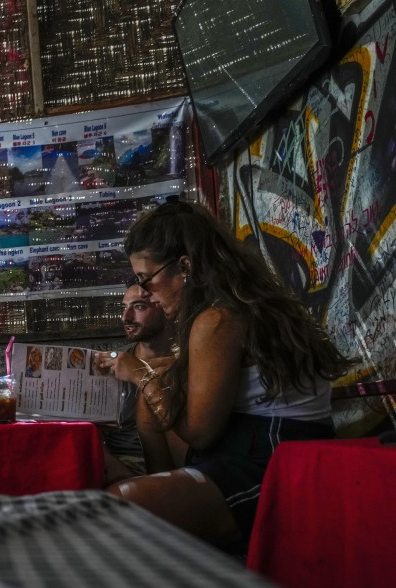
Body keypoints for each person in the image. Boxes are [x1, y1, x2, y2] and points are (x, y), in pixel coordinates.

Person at [96, 200, 347, 551]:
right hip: (259, 440)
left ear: (184, 267)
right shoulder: (235, 303)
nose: (147, 294)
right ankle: (168, 497)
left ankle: (169, 515)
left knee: (119, 505)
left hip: (282, 458)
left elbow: (200, 433)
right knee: (147, 411)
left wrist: (142, 374)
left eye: (146, 281)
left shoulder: (218, 318)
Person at [95, 283, 177, 482]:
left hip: (170, 469)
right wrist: (112, 465)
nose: (126, 317)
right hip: (112, 464)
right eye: (124, 307)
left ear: (165, 307)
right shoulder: (113, 361)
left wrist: (140, 374)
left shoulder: (186, 362)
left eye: (139, 307)